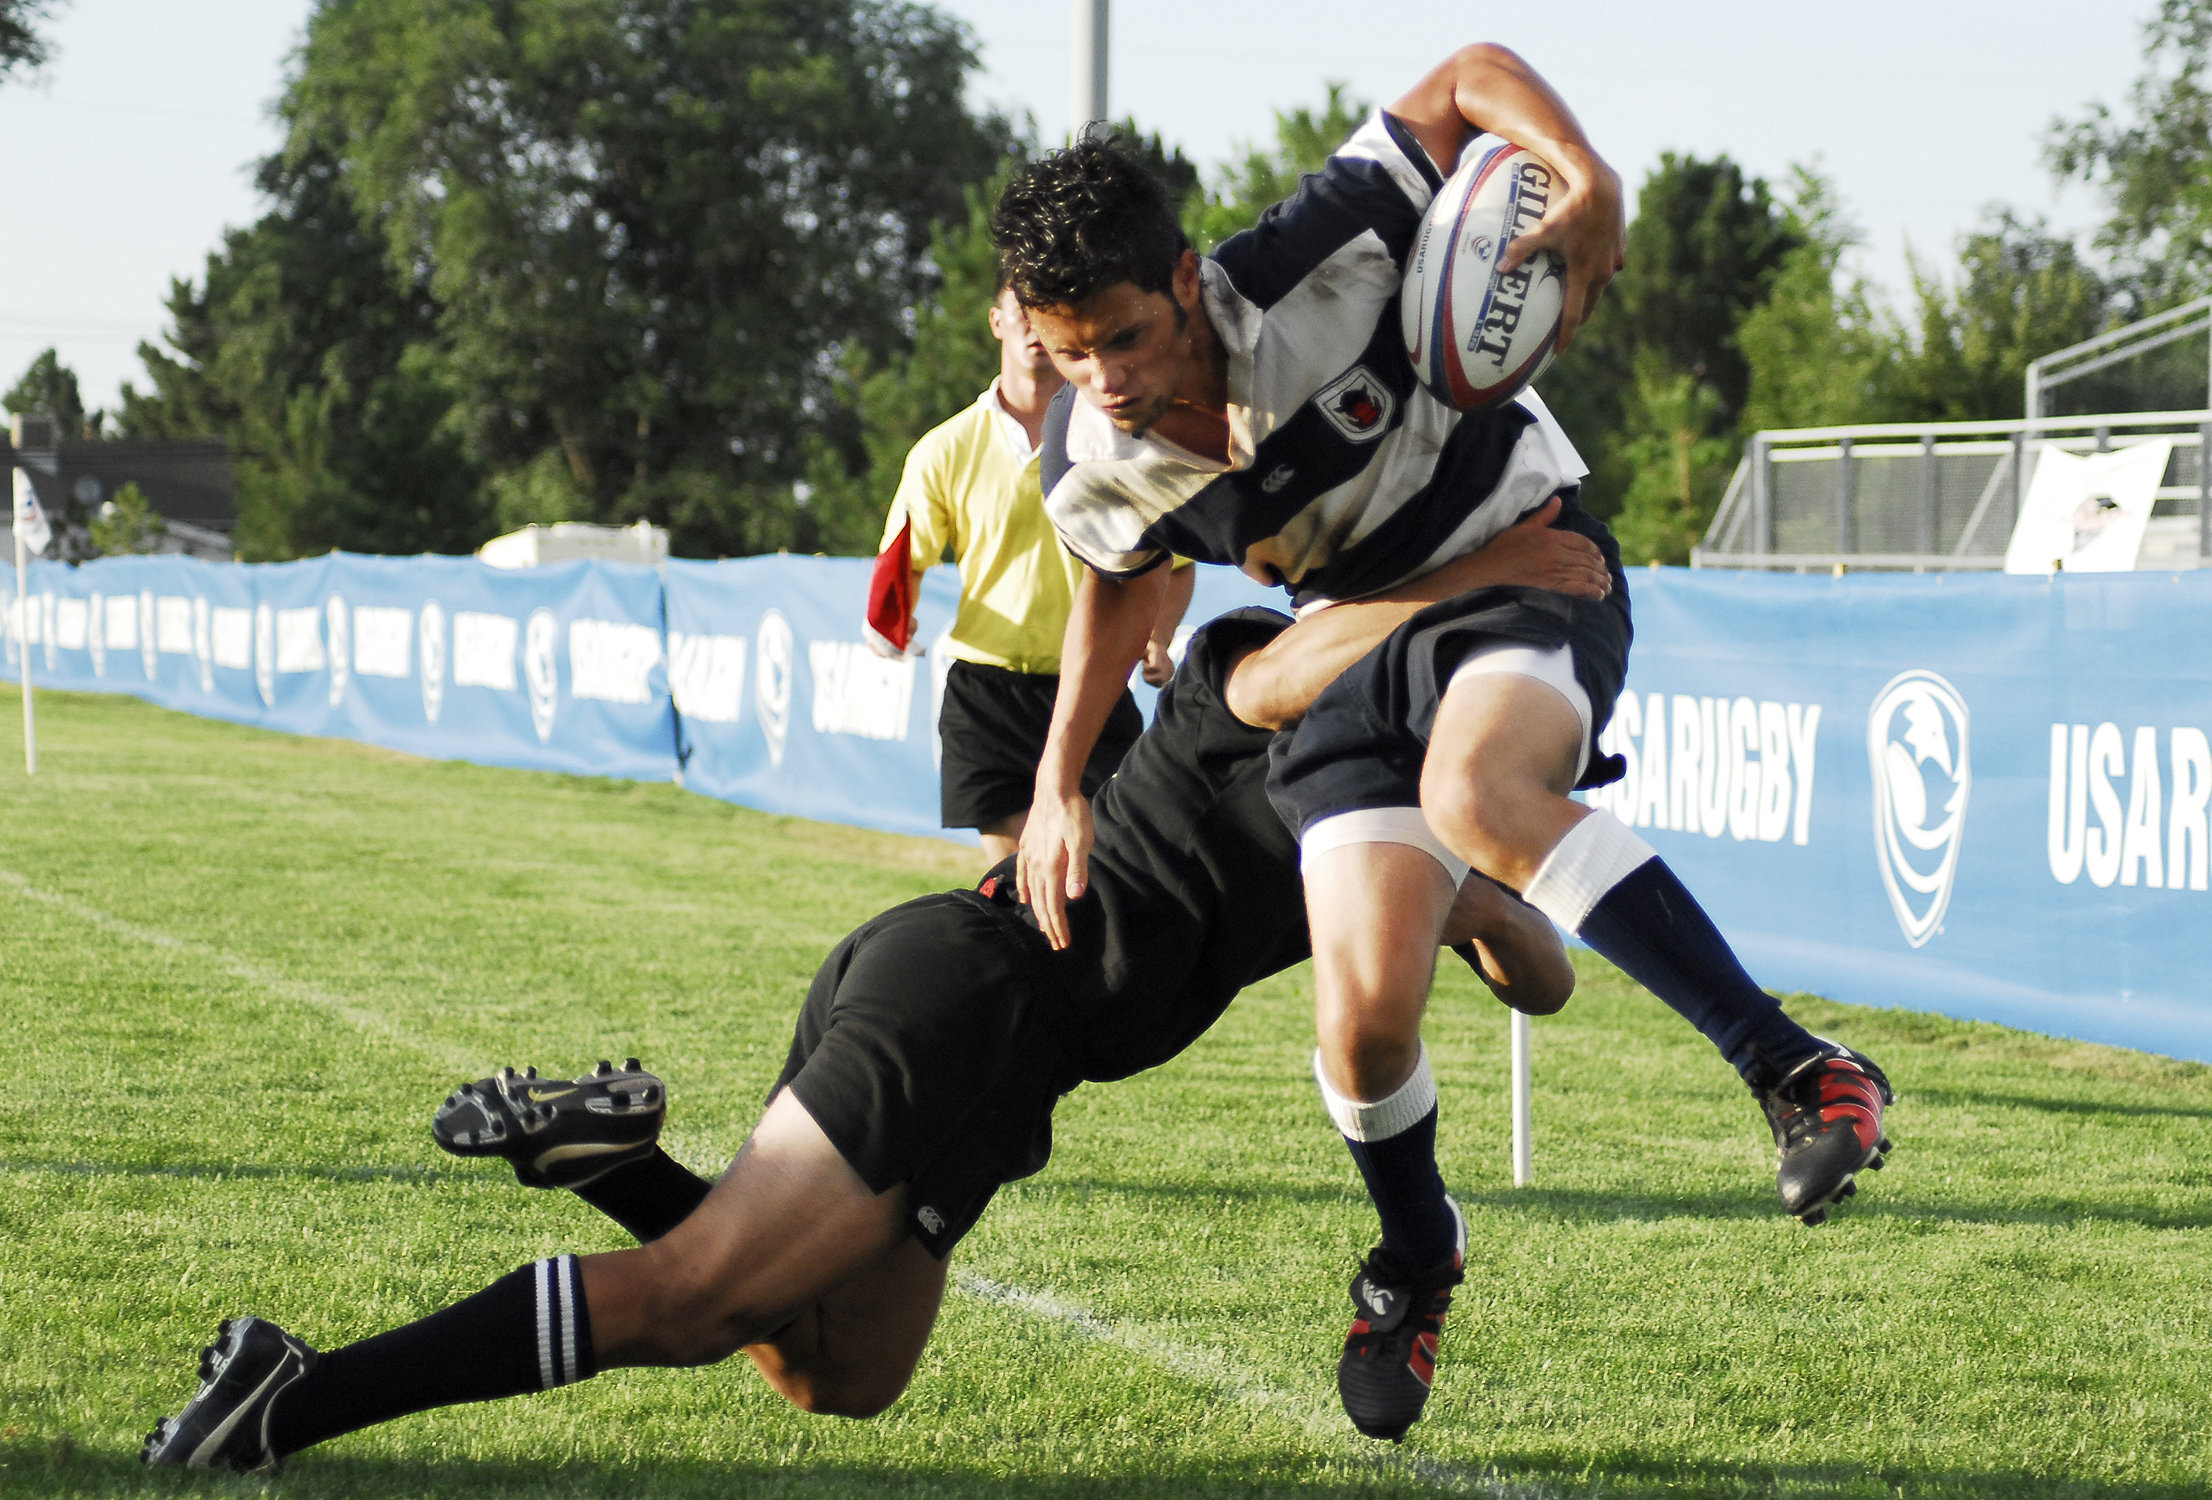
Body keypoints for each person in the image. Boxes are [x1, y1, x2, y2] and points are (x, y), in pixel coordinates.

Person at [139, 525, 1602, 1474]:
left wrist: (1474, 849)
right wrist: (1477, 585)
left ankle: (623, 1164)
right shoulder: (1254, 671)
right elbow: (1287, 660)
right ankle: (298, 1395)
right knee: (692, 1301)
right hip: (973, 1008)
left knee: (838, 1374)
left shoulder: (1382, 825)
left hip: (985, 1044)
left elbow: (1542, 979)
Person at [992, 43, 1892, 1439]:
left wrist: (1585, 175)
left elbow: (1469, 73)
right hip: (1361, 646)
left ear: (1182, 281)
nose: (1100, 380)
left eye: (1121, 336)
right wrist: (1060, 782)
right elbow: (1114, 579)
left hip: (1527, 560)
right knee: (1358, 1033)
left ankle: (1797, 1071)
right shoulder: (1089, 458)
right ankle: (1417, 1260)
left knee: (1479, 789)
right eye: (1063, 351)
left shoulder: (1315, 253)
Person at [865, 282, 1194, 863]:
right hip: (986, 694)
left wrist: (1157, 637)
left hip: (1092, 681)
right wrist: (894, 619)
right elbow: (903, 558)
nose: (1032, 329)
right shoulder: (944, 449)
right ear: (996, 322)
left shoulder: (1118, 441)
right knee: (1017, 879)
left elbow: (1174, 561)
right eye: (1021, 314)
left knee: (1099, 874)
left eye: (1048, 318)